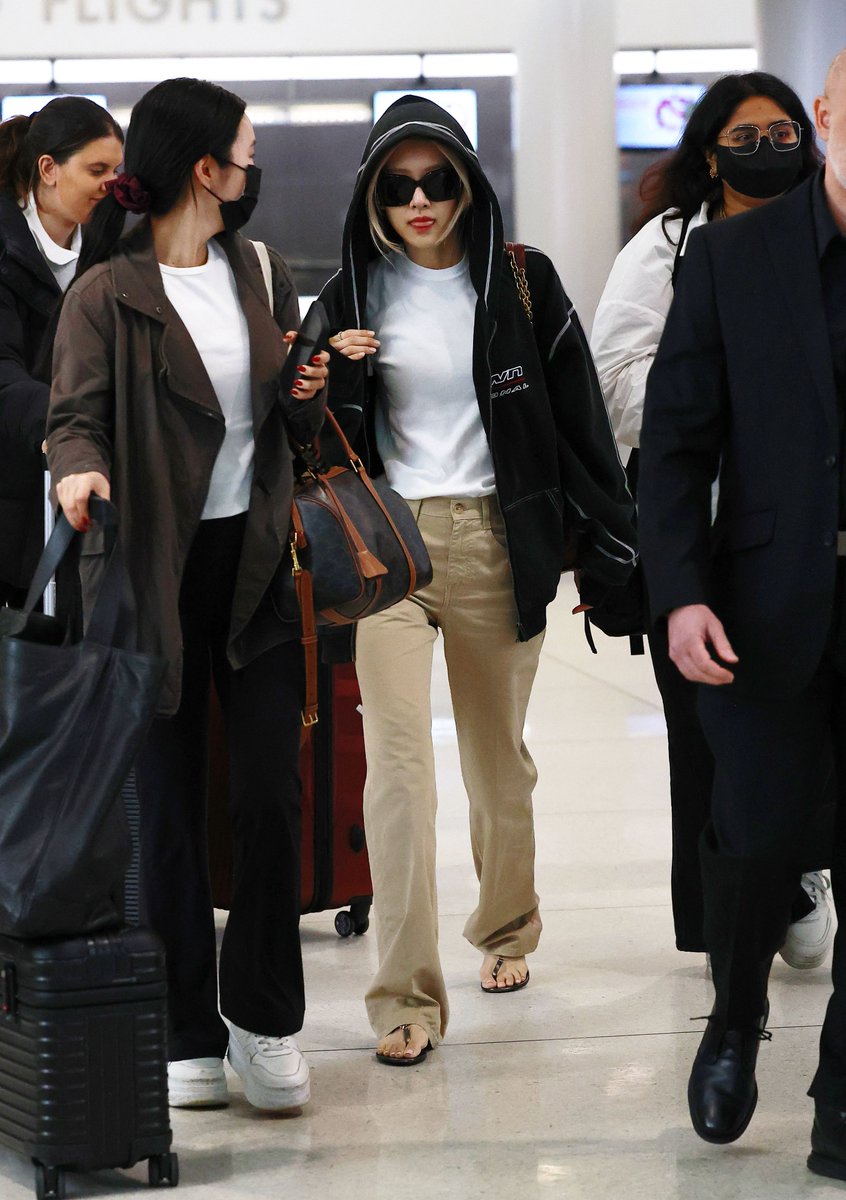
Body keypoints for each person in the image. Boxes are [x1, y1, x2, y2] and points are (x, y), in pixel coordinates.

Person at [320, 94, 637, 1065]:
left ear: (466, 181)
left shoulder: (522, 283)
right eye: (400, 183)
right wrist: (326, 369)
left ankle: (506, 929)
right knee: (400, 776)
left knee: (498, 763)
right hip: (392, 554)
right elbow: (311, 435)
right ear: (376, 192)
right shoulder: (349, 296)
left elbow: (580, 423)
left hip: (499, 543)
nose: (420, 200)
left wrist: (607, 551)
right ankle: (403, 997)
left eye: (438, 180)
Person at [45, 77, 329, 1114]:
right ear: (206, 167)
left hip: (254, 567)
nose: (255, 169)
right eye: (245, 152)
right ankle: (184, 1025)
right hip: (145, 571)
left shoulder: (260, 270)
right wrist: (77, 471)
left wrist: (305, 394)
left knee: (268, 796)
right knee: (164, 812)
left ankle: (264, 1021)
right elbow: (72, 415)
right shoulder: (104, 292)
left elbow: (288, 429)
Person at [638, 49, 846, 1174]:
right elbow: (673, 448)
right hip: (764, 603)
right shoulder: (731, 256)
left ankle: (842, 1096)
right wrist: (679, 595)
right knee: (758, 831)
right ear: (824, 117)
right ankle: (736, 1011)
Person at [591, 72, 833, 968]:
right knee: (701, 736)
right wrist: (732, 400)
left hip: (799, 530)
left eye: (782, 136)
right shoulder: (667, 248)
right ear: (709, 150)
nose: (766, 152)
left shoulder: (824, 234)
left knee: (803, 714)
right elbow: (616, 383)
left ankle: (802, 868)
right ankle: (721, 924)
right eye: (746, 137)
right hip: (693, 532)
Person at [0, 96, 123, 606]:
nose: (110, 185)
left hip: (76, 486)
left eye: (117, 171)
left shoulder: (108, 253)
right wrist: (68, 432)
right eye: (97, 170)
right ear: (48, 169)